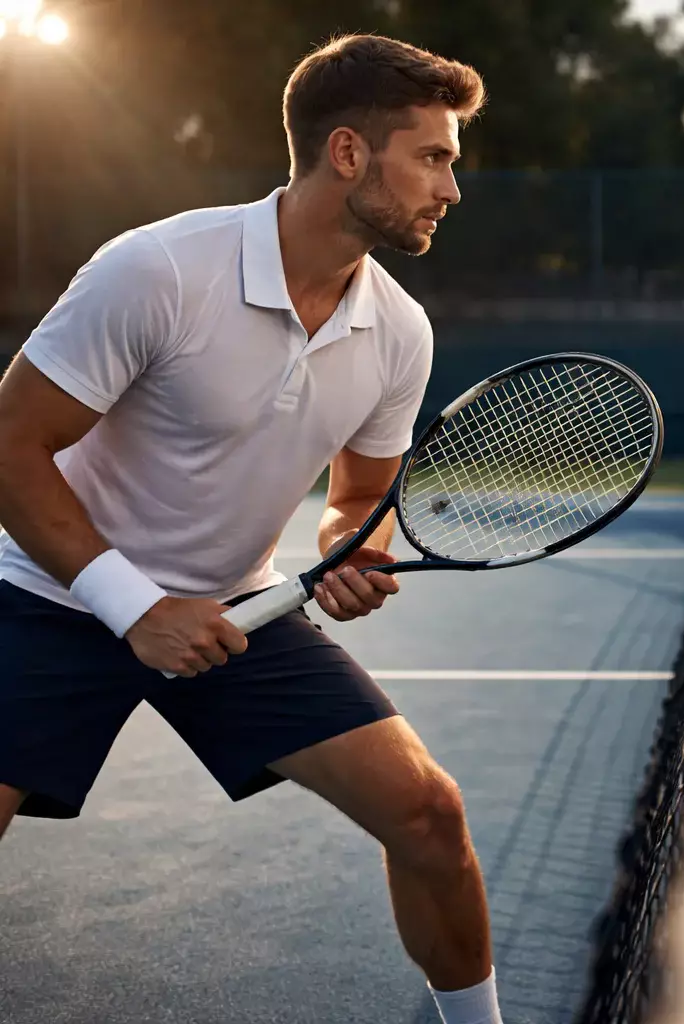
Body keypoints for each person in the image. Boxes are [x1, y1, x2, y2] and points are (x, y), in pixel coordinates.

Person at [0, 34, 505, 1024]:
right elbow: (11, 447)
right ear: (350, 154)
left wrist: (348, 551)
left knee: (430, 816)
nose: (453, 186)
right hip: (46, 596)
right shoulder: (156, 271)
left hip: (239, 608)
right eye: (434, 157)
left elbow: (358, 498)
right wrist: (134, 605)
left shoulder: (399, 331)